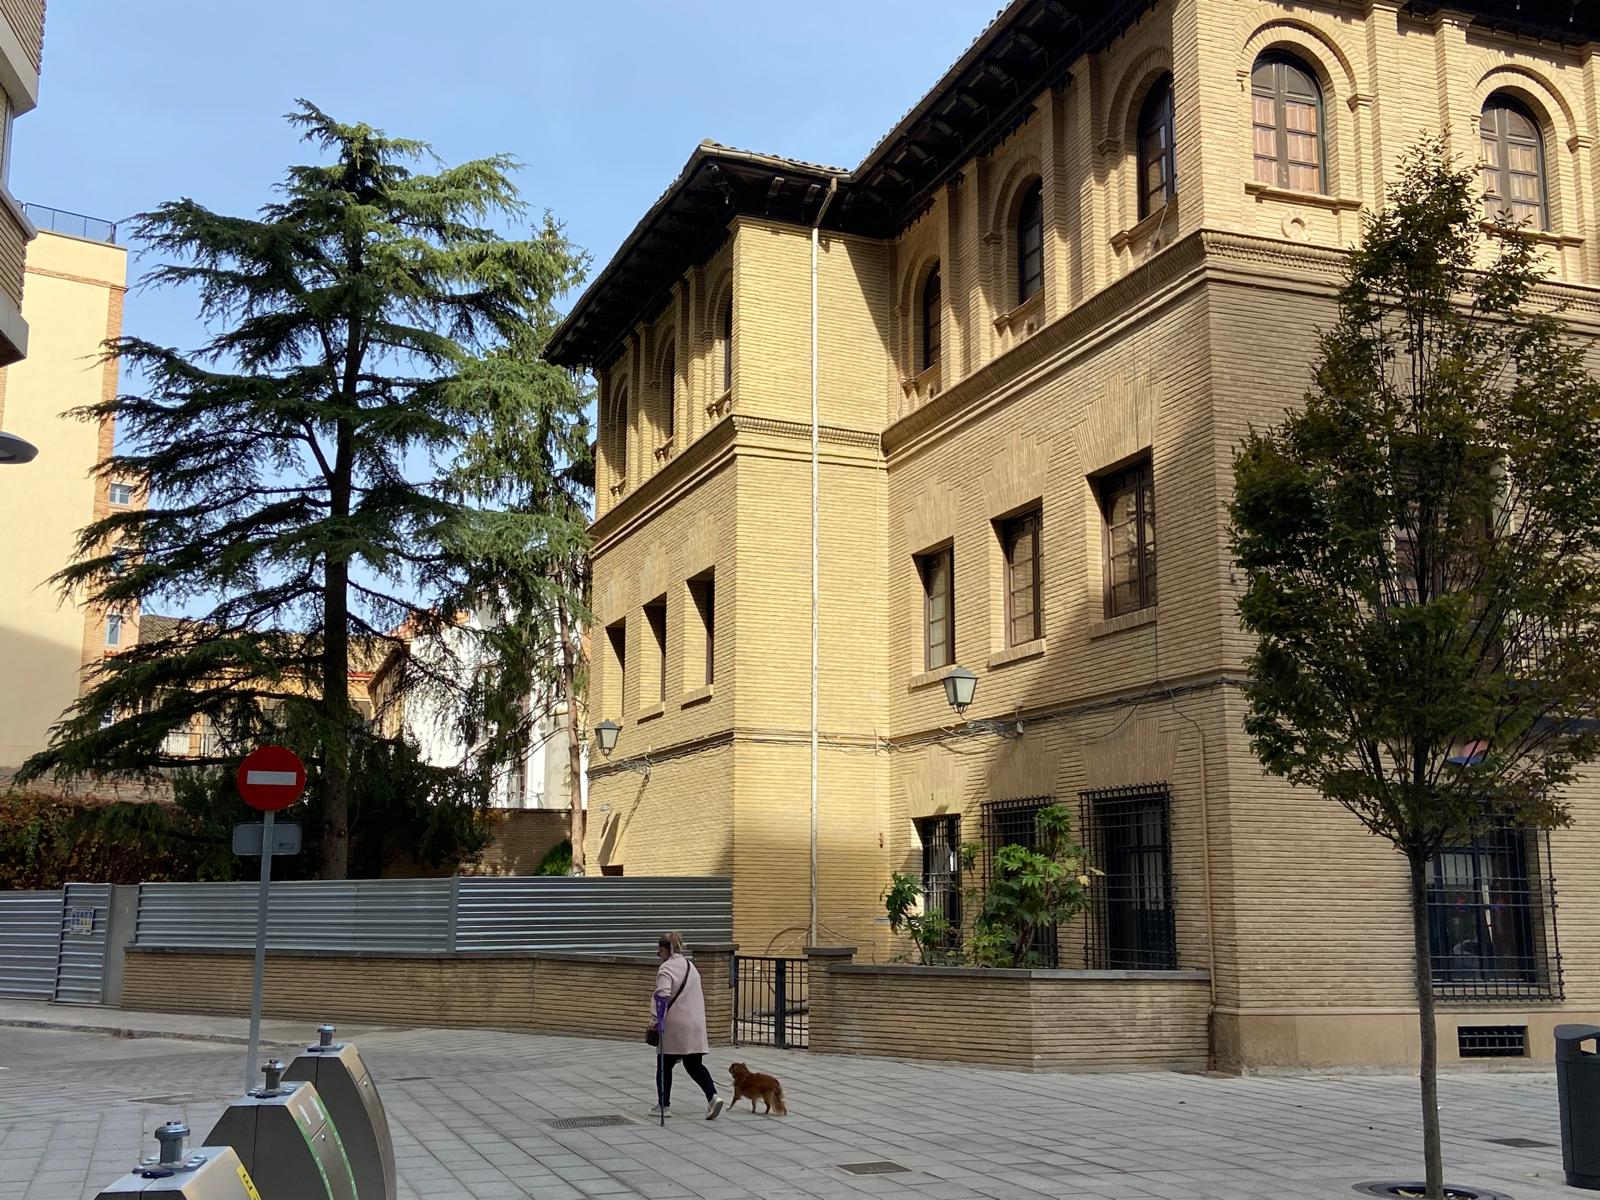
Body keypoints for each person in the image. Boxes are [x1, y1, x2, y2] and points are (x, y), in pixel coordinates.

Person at [650, 931, 723, 1120]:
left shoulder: (666, 969)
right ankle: (713, 1097)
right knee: (694, 1064)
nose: (659, 956)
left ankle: (663, 1106)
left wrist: (655, 1021)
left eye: (659, 952)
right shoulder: (691, 967)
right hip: (696, 1024)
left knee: (664, 1064)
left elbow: (663, 996)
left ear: (666, 950)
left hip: (675, 1026)